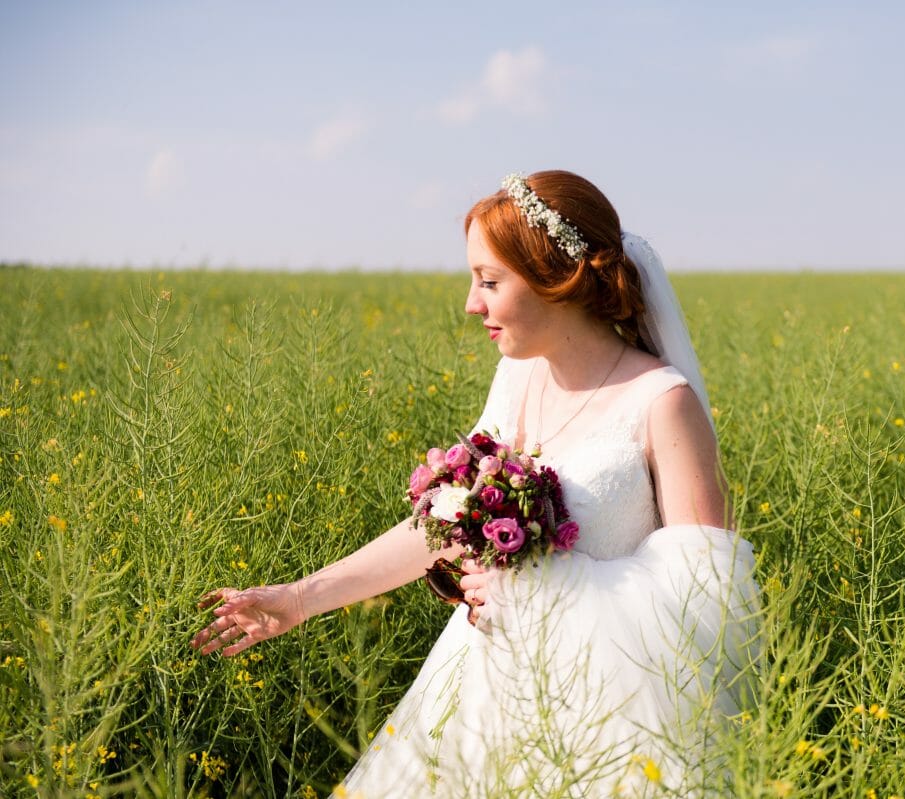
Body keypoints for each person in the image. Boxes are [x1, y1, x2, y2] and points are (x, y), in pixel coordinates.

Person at [190, 170, 760, 797]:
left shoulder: (661, 403)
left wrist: (548, 591)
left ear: (557, 278)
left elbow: (710, 598)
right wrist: (299, 599)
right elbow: (445, 525)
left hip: (610, 717)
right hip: (480, 688)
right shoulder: (517, 378)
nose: (471, 304)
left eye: (489, 282)